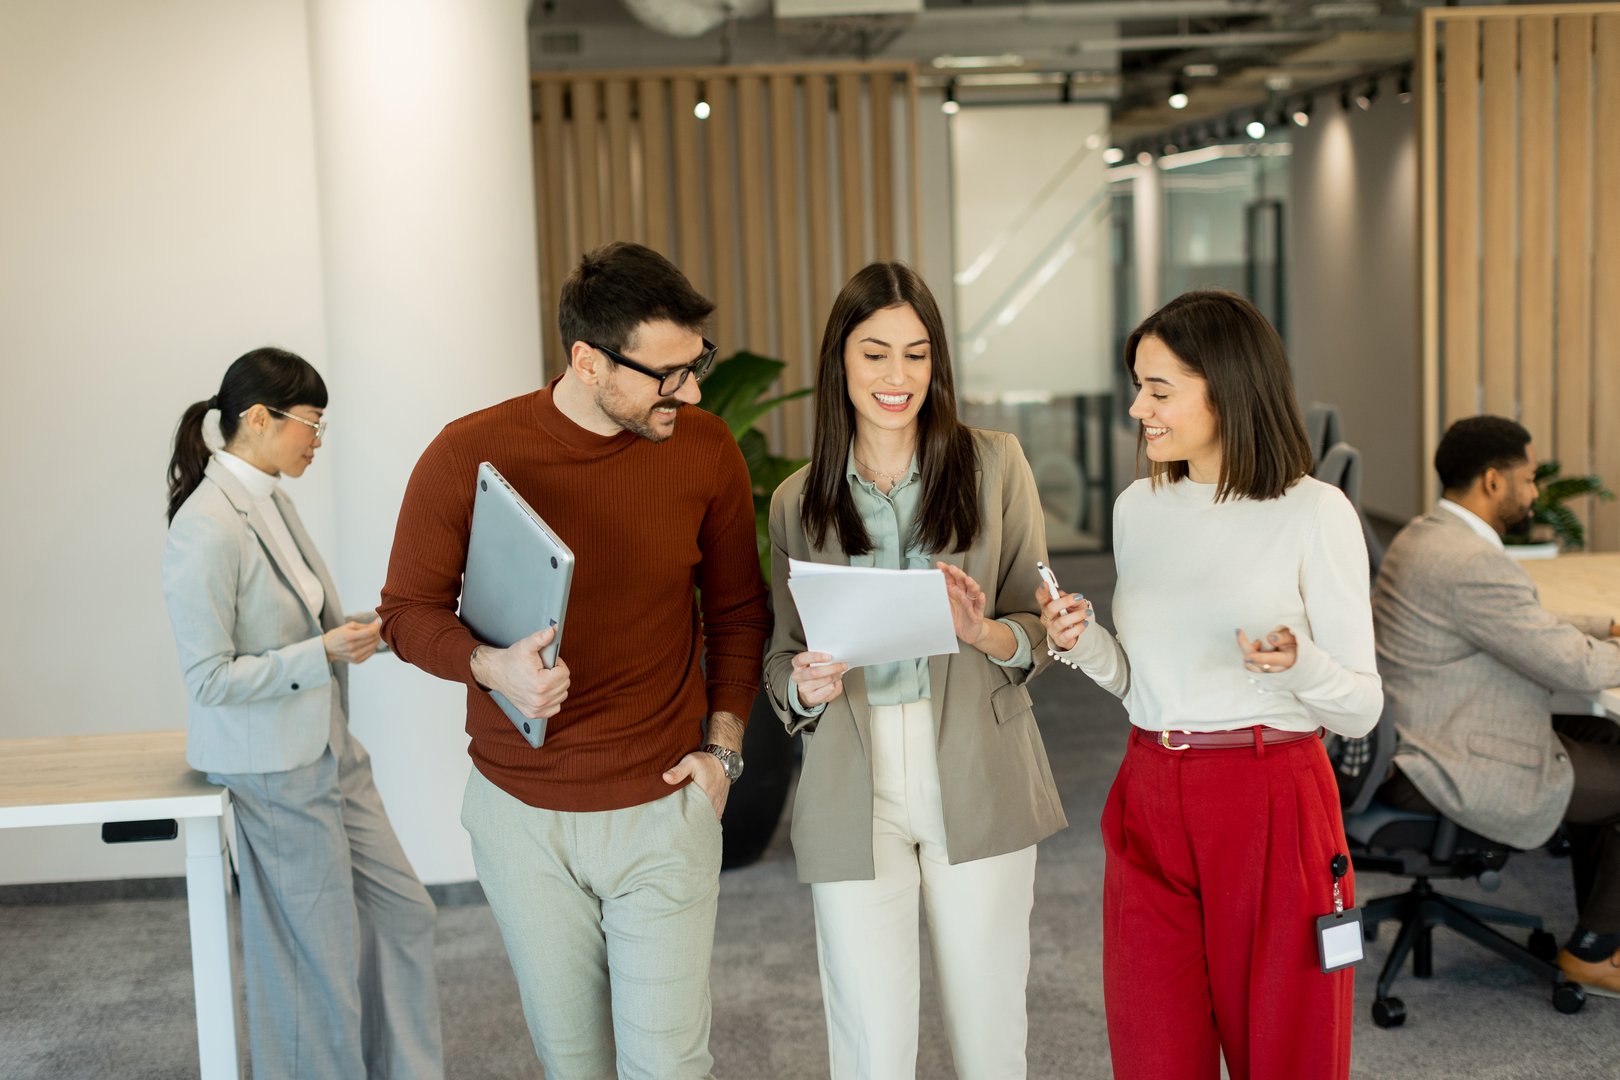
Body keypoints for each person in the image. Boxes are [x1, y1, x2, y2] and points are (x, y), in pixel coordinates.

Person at [377, 241, 769, 1079]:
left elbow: (738, 611)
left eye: (696, 364)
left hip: (663, 808)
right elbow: (406, 615)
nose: (692, 391)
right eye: (667, 374)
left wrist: (725, 749)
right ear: (588, 361)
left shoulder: (704, 451)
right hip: (522, 816)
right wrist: (492, 667)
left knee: (668, 1066)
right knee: (573, 1063)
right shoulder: (469, 453)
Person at [1039, 290, 1382, 1080]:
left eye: (1159, 390)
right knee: (1153, 1053)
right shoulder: (1139, 507)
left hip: (1271, 798)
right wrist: (1085, 641)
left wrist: (1297, 665)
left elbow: (1361, 707)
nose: (1137, 408)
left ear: (1226, 388)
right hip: (1151, 788)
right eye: (1138, 385)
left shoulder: (1314, 513)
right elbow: (1144, 686)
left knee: (1286, 1055)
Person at [763, 261, 1066, 1080]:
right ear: (841, 363)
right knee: (868, 1042)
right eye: (874, 354)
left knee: (988, 1028)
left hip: (977, 762)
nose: (898, 378)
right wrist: (802, 684)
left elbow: (1038, 621)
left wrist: (987, 632)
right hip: (852, 779)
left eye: (917, 354)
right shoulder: (798, 499)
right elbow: (781, 654)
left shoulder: (996, 465)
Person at [160, 346, 444, 1080]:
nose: (318, 441)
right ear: (260, 418)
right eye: (312, 425)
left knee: (403, 914)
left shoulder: (270, 500)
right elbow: (210, 679)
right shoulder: (208, 525)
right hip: (274, 770)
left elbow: (304, 630)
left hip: (326, 747)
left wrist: (368, 631)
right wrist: (323, 652)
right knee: (314, 959)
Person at [1372, 415, 1620, 996]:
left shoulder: (1427, 533)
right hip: (1450, 757)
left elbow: (1517, 624)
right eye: (1528, 479)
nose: (1535, 493)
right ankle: (1593, 952)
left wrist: (1604, 624)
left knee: (1604, 734)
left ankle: (1602, 927)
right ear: (1492, 481)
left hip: (1423, 731)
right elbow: (1572, 666)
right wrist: (1602, 647)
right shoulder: (1471, 563)